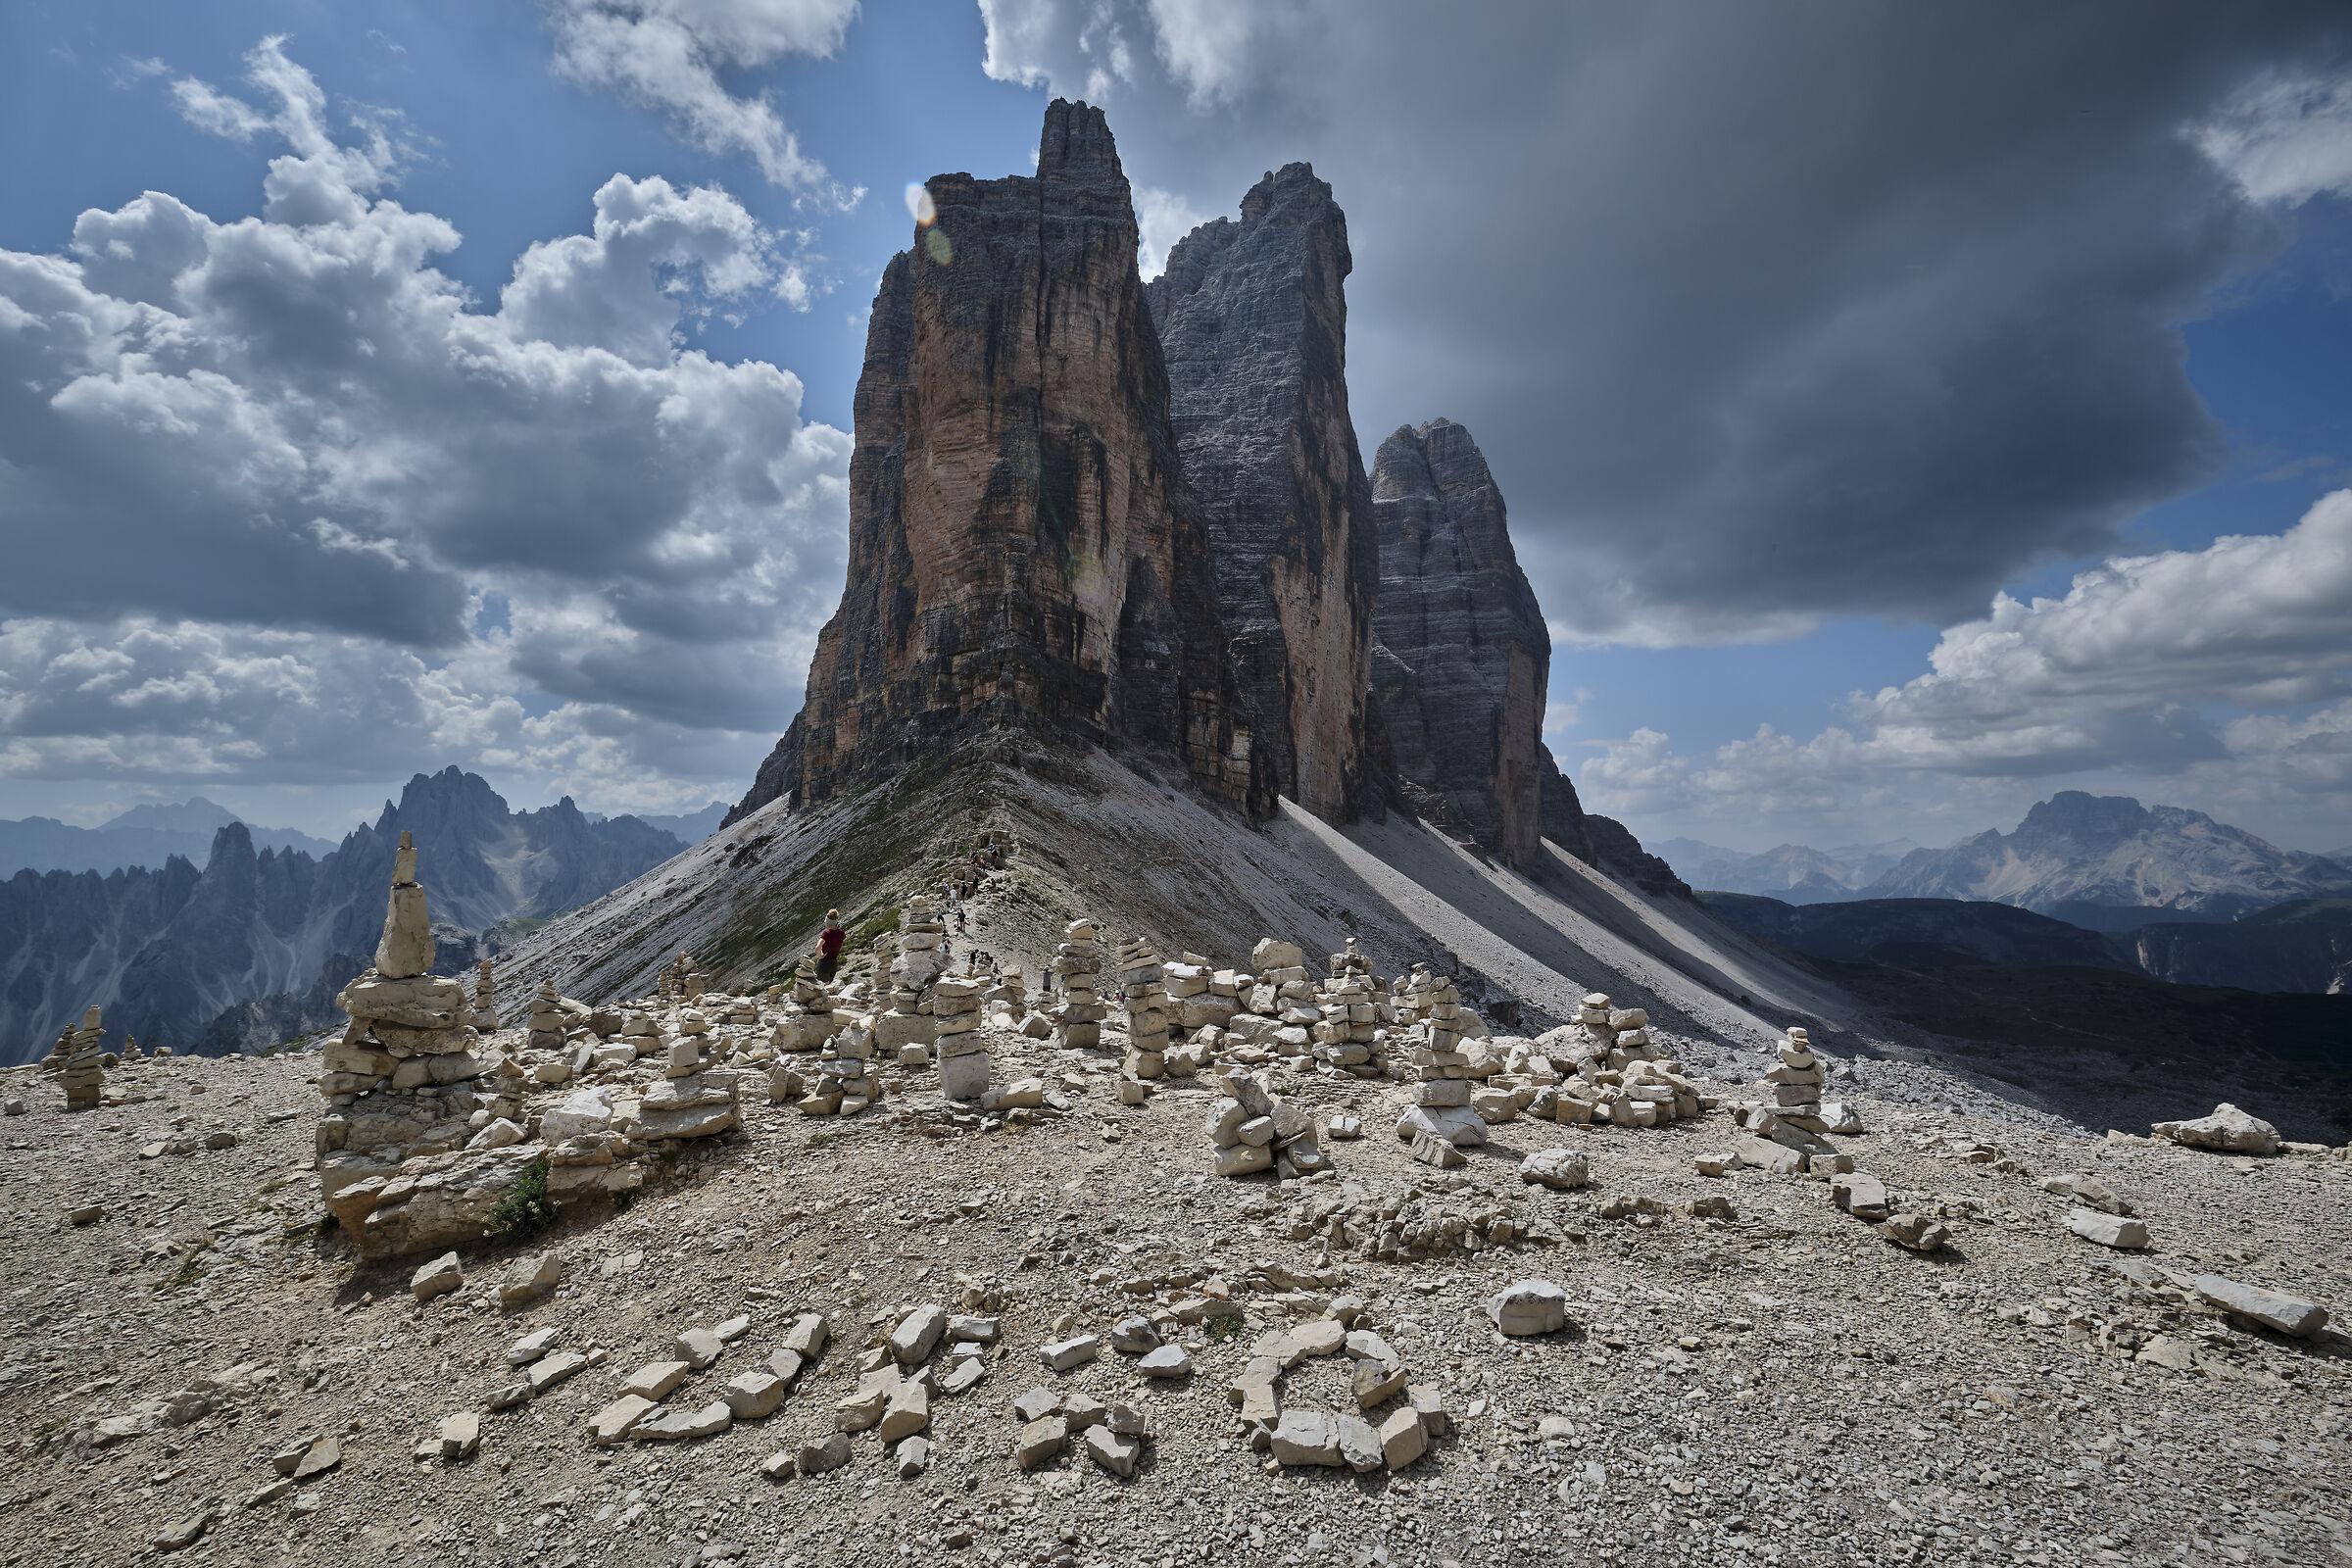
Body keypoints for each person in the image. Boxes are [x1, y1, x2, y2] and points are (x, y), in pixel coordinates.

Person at [815, 908, 846, 982]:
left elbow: (817, 947)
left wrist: (820, 956)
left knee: (819, 988)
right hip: (833, 964)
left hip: (824, 964)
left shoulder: (826, 934)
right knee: (828, 988)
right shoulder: (841, 933)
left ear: (827, 923)